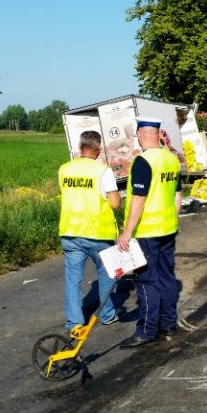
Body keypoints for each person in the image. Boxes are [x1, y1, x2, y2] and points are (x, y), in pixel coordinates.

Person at [117, 117, 182, 348]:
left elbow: (139, 198)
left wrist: (126, 232)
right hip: (168, 229)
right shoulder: (172, 159)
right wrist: (173, 220)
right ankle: (168, 324)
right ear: (158, 134)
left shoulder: (143, 161)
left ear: (141, 135)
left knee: (146, 280)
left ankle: (146, 330)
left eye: (137, 136)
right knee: (166, 277)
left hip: (148, 231)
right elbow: (177, 195)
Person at [58, 130, 121, 331]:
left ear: (80, 147)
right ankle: (107, 314)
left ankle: (74, 321)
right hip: (98, 233)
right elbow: (114, 203)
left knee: (73, 280)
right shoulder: (103, 171)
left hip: (70, 231)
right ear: (98, 149)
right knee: (106, 275)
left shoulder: (64, 170)